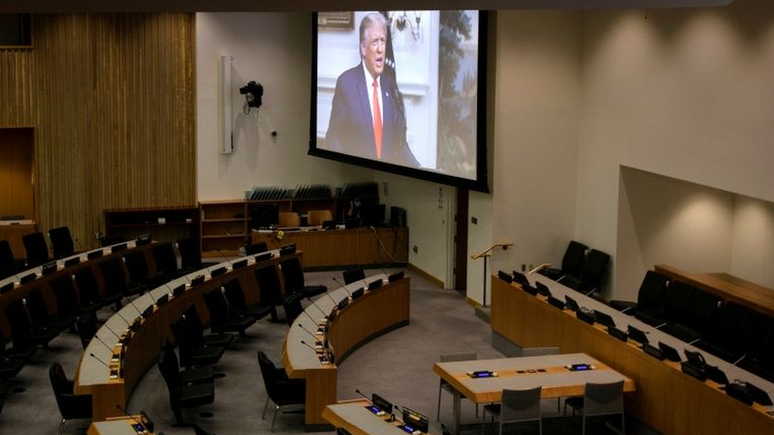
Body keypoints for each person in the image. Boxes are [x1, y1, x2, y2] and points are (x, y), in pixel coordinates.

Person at [325, 12, 420, 167]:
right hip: (355, 180)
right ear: (363, 48)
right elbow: (333, 137)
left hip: (385, 179)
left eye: (383, 41)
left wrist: (421, 169)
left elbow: (400, 145)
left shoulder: (390, 86)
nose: (381, 49)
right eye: (375, 42)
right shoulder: (346, 83)